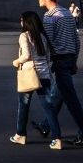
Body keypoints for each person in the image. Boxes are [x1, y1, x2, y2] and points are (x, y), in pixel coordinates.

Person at [37, 0, 83, 146]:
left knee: (71, 100)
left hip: (59, 61)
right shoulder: (67, 13)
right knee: (59, 95)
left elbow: (47, 43)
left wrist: (43, 66)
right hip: (68, 59)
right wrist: (74, 61)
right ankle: (46, 125)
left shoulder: (49, 16)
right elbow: (76, 41)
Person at [11, 10, 63, 150]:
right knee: (48, 107)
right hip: (44, 75)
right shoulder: (42, 36)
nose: (21, 22)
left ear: (26, 22)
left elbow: (26, 55)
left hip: (29, 74)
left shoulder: (24, 36)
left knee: (23, 106)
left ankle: (20, 134)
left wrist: (16, 62)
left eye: (22, 20)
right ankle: (57, 138)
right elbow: (47, 58)